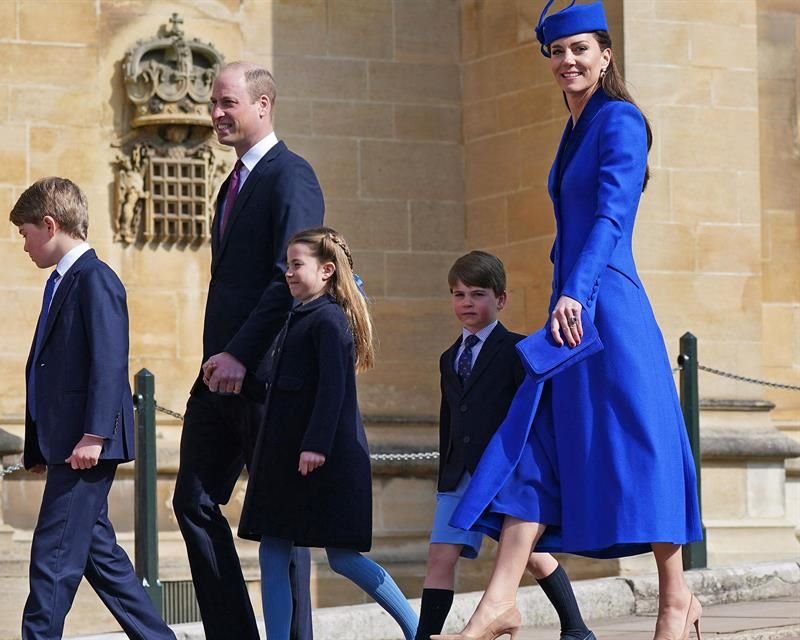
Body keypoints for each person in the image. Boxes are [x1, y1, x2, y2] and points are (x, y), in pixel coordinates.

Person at [434, 2, 703, 639]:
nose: (568, 61)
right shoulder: (574, 126)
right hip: (575, 307)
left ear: (606, 55)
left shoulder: (621, 120)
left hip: (607, 309)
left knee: (643, 447)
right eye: (557, 52)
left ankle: (675, 599)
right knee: (532, 446)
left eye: (580, 49)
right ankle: (499, 601)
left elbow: (611, 217)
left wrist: (575, 294)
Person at [172, 61, 324, 640]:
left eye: (227, 103)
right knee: (193, 501)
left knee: (281, 521)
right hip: (221, 377)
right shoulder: (230, 183)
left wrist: (240, 353)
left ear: (263, 105)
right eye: (214, 104)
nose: (215, 114)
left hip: (268, 376)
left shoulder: (292, 176)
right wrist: (221, 358)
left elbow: (289, 279)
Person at [10, 177, 175, 640]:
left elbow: (108, 360)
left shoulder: (95, 279)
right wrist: (40, 445)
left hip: (86, 444)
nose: (23, 246)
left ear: (49, 224)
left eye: (25, 234)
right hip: (67, 443)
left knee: (51, 560)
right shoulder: (62, 282)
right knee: (102, 561)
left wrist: (95, 435)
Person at [238, 227, 418, 640]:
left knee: (342, 558)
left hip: (322, 462)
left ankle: (417, 630)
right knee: (273, 550)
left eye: (297, 264)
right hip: (288, 462)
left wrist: (316, 445)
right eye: (287, 264)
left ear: (326, 270)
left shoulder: (329, 320)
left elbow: (335, 388)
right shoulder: (299, 316)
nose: (288, 272)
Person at [415, 251, 593, 640]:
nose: (466, 303)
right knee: (440, 556)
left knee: (529, 555)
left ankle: (576, 628)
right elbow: (451, 415)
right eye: (458, 294)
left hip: (503, 472)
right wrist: (445, 473)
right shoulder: (449, 358)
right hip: (458, 472)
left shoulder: (518, 350)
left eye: (477, 294)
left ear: (501, 300)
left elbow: (531, 414)